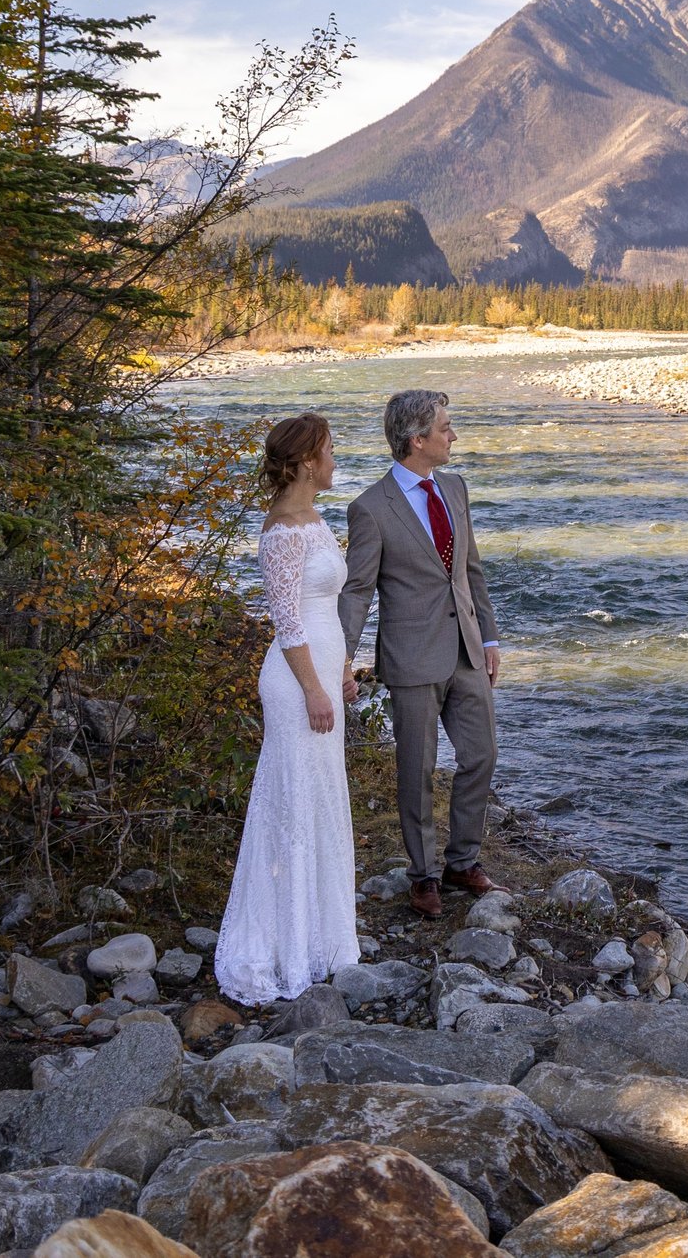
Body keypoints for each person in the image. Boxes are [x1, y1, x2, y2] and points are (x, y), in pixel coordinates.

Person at [214, 413, 362, 1004]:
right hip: (295, 682)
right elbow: (287, 621)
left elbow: (327, 609)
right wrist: (313, 689)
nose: (334, 460)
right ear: (304, 462)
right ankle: (284, 946)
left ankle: (325, 938)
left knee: (322, 798)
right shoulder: (281, 532)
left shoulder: (316, 521)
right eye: (328, 451)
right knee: (294, 801)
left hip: (323, 671)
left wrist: (343, 669)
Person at [340, 388, 504, 920]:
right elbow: (357, 590)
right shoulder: (370, 508)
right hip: (411, 659)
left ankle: (463, 862)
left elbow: (470, 571)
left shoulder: (454, 487)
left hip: (467, 651)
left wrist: (490, 638)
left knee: (481, 756)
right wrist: (341, 657)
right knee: (417, 768)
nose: (453, 435)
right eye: (445, 427)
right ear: (417, 439)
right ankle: (424, 875)